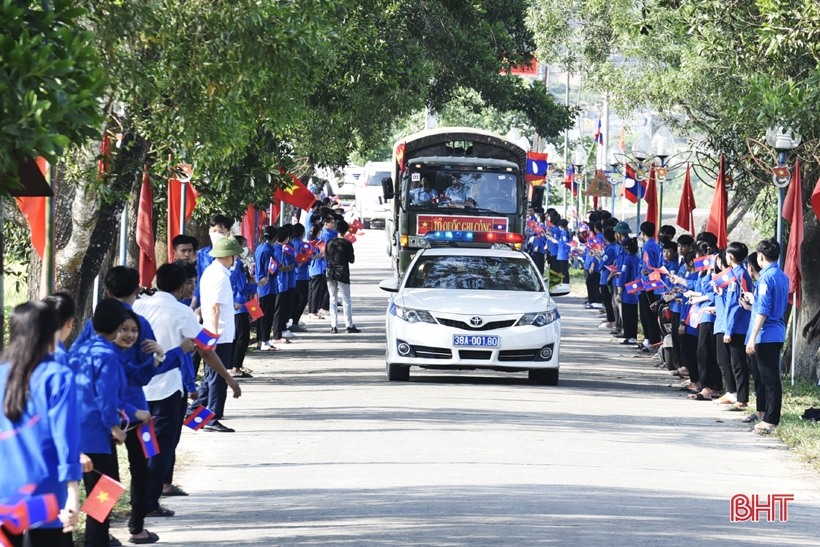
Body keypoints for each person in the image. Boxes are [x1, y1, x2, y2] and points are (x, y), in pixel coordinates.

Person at [134, 264, 241, 515]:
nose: (193, 287)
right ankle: (150, 501)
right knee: (161, 447)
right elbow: (205, 348)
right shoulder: (182, 312)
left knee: (143, 445)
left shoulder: (137, 306)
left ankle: (141, 499)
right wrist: (228, 377)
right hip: (167, 392)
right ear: (181, 285)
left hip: (136, 390)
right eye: (190, 283)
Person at [0, 301, 86, 547]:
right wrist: (73, 493)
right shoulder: (58, 376)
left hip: (5, 497)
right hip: (45, 496)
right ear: (50, 331)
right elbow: (66, 440)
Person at [68, 299, 133, 547]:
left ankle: (96, 538)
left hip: (74, 429)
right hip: (96, 432)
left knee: (94, 488)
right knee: (106, 489)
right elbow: (104, 396)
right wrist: (114, 426)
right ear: (117, 326)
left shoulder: (78, 350)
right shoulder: (107, 355)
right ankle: (96, 540)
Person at [111, 311, 168, 544]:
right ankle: (97, 532)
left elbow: (139, 376)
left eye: (134, 330)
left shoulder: (123, 353)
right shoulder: (105, 355)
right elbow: (105, 396)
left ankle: (137, 526)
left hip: (137, 420)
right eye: (124, 329)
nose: (130, 335)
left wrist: (159, 355)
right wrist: (132, 412)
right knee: (108, 480)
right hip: (109, 424)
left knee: (142, 470)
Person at [197, 237, 244, 430]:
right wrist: (215, 336)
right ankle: (212, 418)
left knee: (210, 377)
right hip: (218, 333)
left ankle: (195, 414)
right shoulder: (220, 276)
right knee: (218, 378)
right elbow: (215, 306)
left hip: (211, 330)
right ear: (229, 256)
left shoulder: (212, 271)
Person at [743, 239, 789, 433]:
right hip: (776, 331)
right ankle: (764, 413)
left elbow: (762, 310)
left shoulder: (764, 279)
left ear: (760, 257)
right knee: (764, 377)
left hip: (765, 333)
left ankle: (771, 420)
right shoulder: (782, 276)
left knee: (769, 379)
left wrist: (753, 336)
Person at [686, 241, 722, 400]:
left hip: (710, 313)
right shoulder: (703, 271)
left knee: (705, 351)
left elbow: (716, 292)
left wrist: (700, 297)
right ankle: (710, 386)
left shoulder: (715, 268)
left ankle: (707, 386)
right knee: (705, 351)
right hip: (701, 312)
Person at [722, 242, 753, 410]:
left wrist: (729, 330)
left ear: (731, 257)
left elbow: (735, 306)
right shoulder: (738, 273)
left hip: (738, 327)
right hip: (738, 325)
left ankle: (742, 399)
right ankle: (740, 396)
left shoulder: (738, 275)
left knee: (738, 364)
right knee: (737, 363)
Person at [230, 235, 259, 377]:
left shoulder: (237, 264)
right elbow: (242, 287)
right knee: (243, 337)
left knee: (237, 337)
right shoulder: (238, 266)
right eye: (244, 245)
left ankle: (234, 365)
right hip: (239, 305)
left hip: (239, 304)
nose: (246, 248)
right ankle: (235, 367)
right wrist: (253, 285)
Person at [191, 214, 234, 311]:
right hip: (204, 299)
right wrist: (194, 300)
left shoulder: (232, 255)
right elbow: (200, 279)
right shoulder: (202, 254)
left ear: (228, 234)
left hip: (224, 299)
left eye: (221, 232)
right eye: (214, 231)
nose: (217, 234)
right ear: (209, 231)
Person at [325, 220, 360, 333]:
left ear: (336, 229)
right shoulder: (347, 243)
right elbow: (352, 260)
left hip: (330, 272)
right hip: (342, 272)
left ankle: (333, 326)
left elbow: (326, 257)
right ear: (346, 231)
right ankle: (349, 325)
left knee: (332, 299)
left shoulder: (329, 242)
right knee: (346, 299)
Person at [638, 222, 663, 350]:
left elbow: (650, 265)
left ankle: (652, 340)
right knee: (648, 314)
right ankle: (649, 339)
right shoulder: (655, 245)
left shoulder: (648, 247)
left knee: (648, 314)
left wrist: (647, 275)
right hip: (652, 283)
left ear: (643, 233)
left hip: (648, 284)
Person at [272, 228, 296, 344]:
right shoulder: (276, 249)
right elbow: (276, 268)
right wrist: (284, 268)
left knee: (282, 309)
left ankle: (281, 330)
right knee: (278, 310)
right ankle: (277, 334)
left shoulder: (283, 248)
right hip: (279, 283)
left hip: (284, 282)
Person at [255, 226, 278, 351]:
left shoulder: (260, 248)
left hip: (262, 285)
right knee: (267, 315)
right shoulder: (269, 251)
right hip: (268, 285)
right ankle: (265, 340)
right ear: (274, 237)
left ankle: (260, 340)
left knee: (261, 313)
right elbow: (271, 270)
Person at [614, 238, 641, 345]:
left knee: (627, 314)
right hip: (636, 289)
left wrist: (619, 293)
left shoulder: (627, 259)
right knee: (634, 315)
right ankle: (633, 336)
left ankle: (629, 335)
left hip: (627, 291)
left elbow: (624, 276)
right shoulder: (637, 258)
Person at [289, 223, 311, 331]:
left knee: (294, 300)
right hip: (302, 276)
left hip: (293, 276)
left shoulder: (291, 243)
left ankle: (292, 321)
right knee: (303, 300)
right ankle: (295, 322)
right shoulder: (303, 245)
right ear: (302, 233)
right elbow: (303, 260)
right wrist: (309, 257)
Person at [598, 228, 619, 330]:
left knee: (608, 300)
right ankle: (611, 320)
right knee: (609, 300)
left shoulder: (610, 248)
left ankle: (611, 321)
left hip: (606, 277)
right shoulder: (614, 247)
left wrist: (600, 259)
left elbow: (603, 263)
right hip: (609, 276)